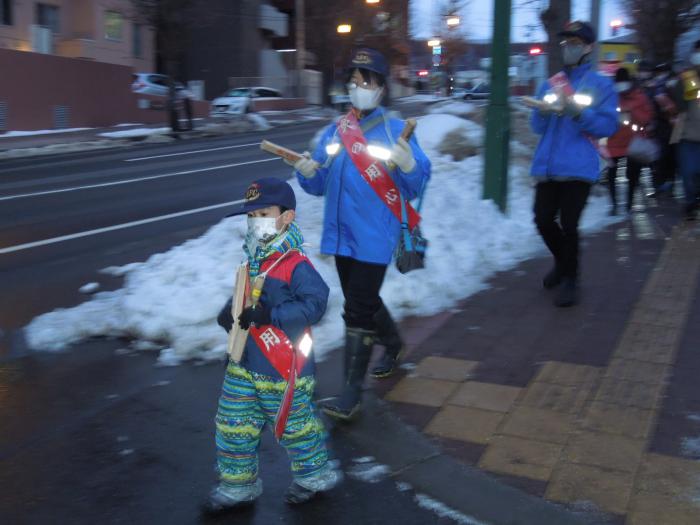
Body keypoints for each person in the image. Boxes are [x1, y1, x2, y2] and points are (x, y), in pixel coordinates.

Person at [291, 48, 431, 420]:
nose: (357, 87)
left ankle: (352, 392)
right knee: (362, 299)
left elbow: (416, 181)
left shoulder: (394, 129)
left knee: (356, 308)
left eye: (365, 80)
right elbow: (320, 183)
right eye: (352, 81)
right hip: (340, 235)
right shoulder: (336, 131)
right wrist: (308, 172)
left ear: (381, 87)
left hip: (374, 234)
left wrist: (409, 164)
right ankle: (394, 342)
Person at [203, 178, 341, 513]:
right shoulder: (254, 259)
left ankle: (314, 476)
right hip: (245, 362)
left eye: (263, 213)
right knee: (233, 424)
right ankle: (238, 486)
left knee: (294, 428)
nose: (255, 222)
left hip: (283, 367)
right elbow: (245, 296)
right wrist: (229, 312)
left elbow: (316, 303)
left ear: (286, 217)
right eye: (251, 216)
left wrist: (272, 314)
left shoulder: (296, 265)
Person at [529, 21, 618, 307]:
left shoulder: (601, 84)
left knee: (569, 223)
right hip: (548, 166)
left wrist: (578, 114)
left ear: (589, 47)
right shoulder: (550, 83)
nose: (569, 48)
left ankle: (571, 279)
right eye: (566, 43)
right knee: (542, 220)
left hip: (579, 166)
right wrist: (542, 111)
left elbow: (608, 125)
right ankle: (562, 262)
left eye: (576, 43)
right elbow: (537, 127)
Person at [606, 67, 654, 214]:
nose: (621, 85)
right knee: (612, 175)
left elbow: (648, 117)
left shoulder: (639, 96)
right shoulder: (610, 96)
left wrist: (632, 110)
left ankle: (629, 204)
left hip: (634, 143)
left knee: (632, 176)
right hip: (613, 141)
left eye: (623, 82)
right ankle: (614, 205)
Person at [672, 40, 700, 220]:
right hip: (687, 135)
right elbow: (680, 105)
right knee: (688, 173)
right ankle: (690, 203)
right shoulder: (688, 78)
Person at [646, 62, 678, 198]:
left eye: (661, 72)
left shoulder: (673, 85)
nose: (659, 75)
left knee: (669, 157)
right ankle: (660, 186)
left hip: (671, 126)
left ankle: (668, 186)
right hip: (661, 126)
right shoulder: (654, 87)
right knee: (660, 158)